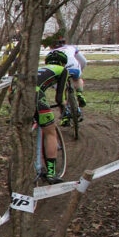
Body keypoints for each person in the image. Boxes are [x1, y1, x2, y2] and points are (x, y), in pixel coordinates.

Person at [36, 49, 69, 184]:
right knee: (50, 132)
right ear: (63, 63)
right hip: (36, 96)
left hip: (15, 94)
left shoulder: (38, 69)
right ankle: (51, 172)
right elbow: (60, 97)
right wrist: (64, 106)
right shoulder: (62, 70)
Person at [53, 38, 88, 125]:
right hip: (74, 67)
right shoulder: (72, 47)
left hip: (61, 71)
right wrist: (81, 70)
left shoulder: (52, 52)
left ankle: (65, 114)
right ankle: (79, 93)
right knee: (78, 79)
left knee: (60, 91)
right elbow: (83, 61)